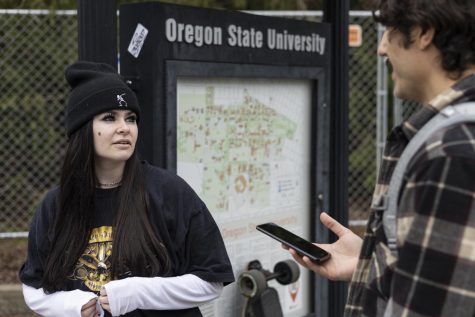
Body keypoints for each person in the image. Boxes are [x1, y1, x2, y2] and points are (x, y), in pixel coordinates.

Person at [286, 0, 475, 316]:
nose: (381, 49)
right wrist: (374, 258)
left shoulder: (450, 153)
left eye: (389, 33)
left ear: (423, 33)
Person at [19, 61, 235, 317]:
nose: (125, 127)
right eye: (110, 118)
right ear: (83, 128)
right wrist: (71, 305)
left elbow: (212, 281)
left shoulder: (170, 191)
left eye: (130, 118)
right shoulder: (56, 204)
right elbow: (34, 287)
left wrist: (138, 292)